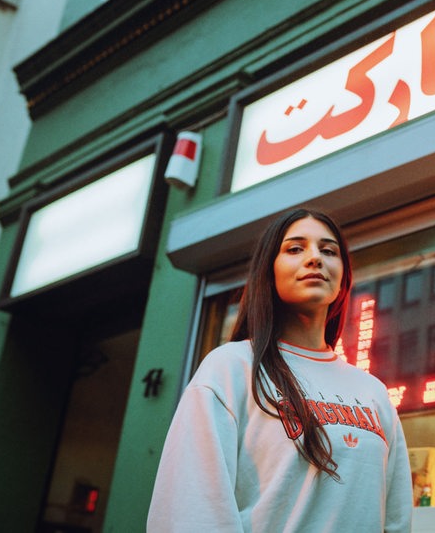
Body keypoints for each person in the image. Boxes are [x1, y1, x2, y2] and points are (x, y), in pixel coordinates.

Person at [148, 209, 412, 532]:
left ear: (343, 276)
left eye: (328, 250)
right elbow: (190, 512)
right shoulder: (230, 369)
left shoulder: (374, 394)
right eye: (295, 248)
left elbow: (396, 522)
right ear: (268, 271)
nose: (315, 258)